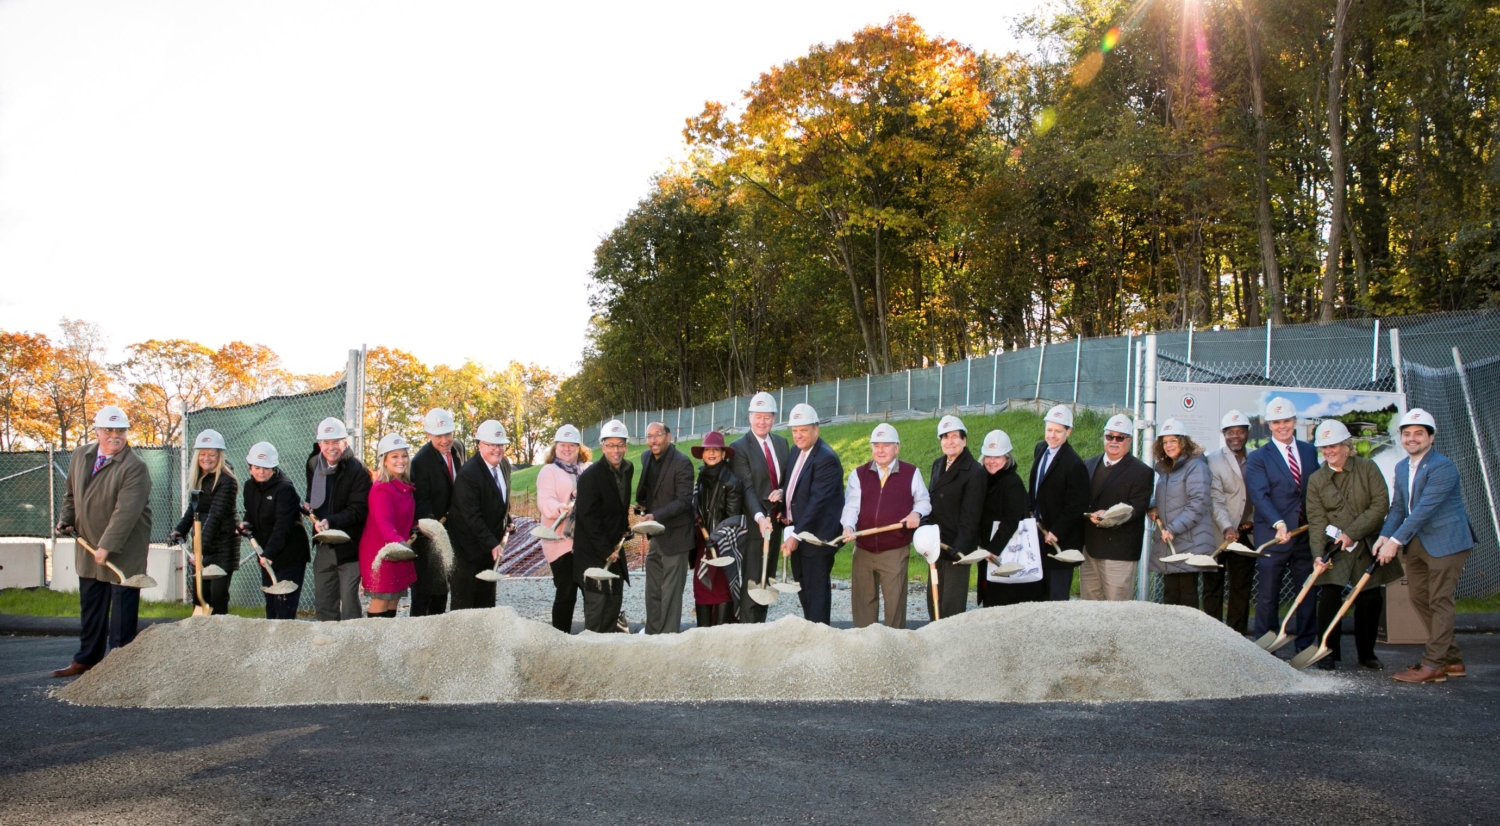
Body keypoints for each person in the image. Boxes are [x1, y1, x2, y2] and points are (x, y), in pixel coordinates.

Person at [1376, 408, 1476, 684]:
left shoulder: (1443, 467)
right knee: (1419, 597)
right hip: (1418, 541)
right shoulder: (1401, 467)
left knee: (1439, 600)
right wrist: (1385, 535)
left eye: (1419, 433)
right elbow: (1399, 507)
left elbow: (1424, 509)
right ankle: (1451, 660)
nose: (1412, 438)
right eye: (1407, 433)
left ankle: (1434, 665)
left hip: (1447, 540)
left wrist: (1395, 542)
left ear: (1431, 437)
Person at [51, 406, 152, 678]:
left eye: (121, 430)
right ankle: (87, 659)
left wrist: (106, 546)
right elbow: (71, 495)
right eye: (108, 430)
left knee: (122, 612)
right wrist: (65, 519)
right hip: (88, 545)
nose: (115, 435)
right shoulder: (80, 455)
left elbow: (126, 511)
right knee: (92, 605)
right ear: (97, 432)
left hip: (123, 549)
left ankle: (118, 666)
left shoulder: (135, 467)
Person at [1306, 419, 1394, 670]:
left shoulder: (1367, 468)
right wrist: (1318, 555)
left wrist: (1352, 534)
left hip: (1365, 543)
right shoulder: (1316, 479)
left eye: (1333, 445)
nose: (1328, 451)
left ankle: (1367, 653)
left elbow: (1380, 506)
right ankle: (1327, 652)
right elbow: (1316, 520)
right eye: (1324, 447)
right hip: (1335, 549)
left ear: (1346, 446)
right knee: (1329, 599)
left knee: (1369, 600)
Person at [1245, 397, 1320, 652]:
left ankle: (1305, 645)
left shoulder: (1309, 451)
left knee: (1306, 592)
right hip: (1273, 535)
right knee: (1268, 595)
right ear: (1269, 425)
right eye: (1276, 422)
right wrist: (1278, 523)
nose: (1282, 426)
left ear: (1294, 421)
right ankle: (1266, 647)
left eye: (1286, 421)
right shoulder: (1258, 457)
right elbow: (1259, 495)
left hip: (1304, 534)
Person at [837, 423, 929, 628]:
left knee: (894, 605)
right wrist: (848, 527)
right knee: (863, 603)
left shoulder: (911, 473)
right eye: (876, 445)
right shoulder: (858, 474)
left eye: (886, 445)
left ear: (897, 448)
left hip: (894, 550)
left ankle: (894, 643)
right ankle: (866, 642)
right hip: (863, 550)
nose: (880, 450)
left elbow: (924, 501)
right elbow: (851, 506)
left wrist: (916, 513)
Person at [779, 403, 845, 625]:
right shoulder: (796, 451)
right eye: (795, 430)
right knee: (804, 588)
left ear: (816, 429)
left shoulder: (825, 458)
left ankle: (820, 637)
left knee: (816, 593)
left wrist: (795, 534)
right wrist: (783, 501)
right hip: (800, 531)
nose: (798, 435)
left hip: (817, 537)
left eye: (804, 430)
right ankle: (811, 631)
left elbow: (818, 502)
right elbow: (793, 484)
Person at [728, 391, 791, 623]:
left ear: (774, 418)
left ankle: (760, 628)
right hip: (754, 526)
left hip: (775, 523)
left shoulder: (782, 444)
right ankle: (747, 630)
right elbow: (746, 487)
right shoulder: (739, 447)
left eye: (767, 417)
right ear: (749, 417)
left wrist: (783, 491)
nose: (762, 422)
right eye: (758, 416)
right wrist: (759, 517)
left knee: (767, 580)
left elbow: (788, 479)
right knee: (752, 581)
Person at [1080, 414, 1153, 601]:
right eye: (1109, 436)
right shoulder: (1088, 464)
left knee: (1117, 609)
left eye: (1120, 437)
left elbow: (1137, 507)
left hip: (1119, 552)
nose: (1114, 441)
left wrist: (1109, 515)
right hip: (1089, 549)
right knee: (1089, 607)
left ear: (1130, 440)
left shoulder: (1141, 472)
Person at [305, 417, 371, 621]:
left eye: (336, 442)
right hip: (324, 544)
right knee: (324, 602)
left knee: (350, 603)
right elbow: (315, 497)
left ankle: (353, 638)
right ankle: (327, 637)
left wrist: (331, 521)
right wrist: (309, 506)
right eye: (326, 442)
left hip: (349, 547)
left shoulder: (358, 470)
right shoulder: (314, 464)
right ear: (320, 444)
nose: (331, 447)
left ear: (345, 442)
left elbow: (358, 509)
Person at [921, 415, 986, 620]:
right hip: (936, 545)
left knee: (952, 605)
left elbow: (971, 515)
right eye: (945, 437)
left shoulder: (975, 471)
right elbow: (931, 500)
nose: (949, 441)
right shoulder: (938, 464)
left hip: (957, 548)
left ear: (964, 440)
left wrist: (959, 549)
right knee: (934, 599)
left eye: (955, 436)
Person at [573, 419, 634, 633]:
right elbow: (588, 518)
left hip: (614, 550)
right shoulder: (590, 477)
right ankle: (592, 650)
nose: (616, 450)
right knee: (597, 610)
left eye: (620, 445)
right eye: (610, 445)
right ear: (603, 446)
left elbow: (621, 505)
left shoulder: (628, 469)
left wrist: (625, 527)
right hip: (593, 552)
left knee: (613, 605)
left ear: (626, 447)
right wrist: (605, 549)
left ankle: (609, 647)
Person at [1148, 419, 1216, 609]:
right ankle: (1172, 629)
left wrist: (1172, 528)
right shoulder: (1168, 468)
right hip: (1171, 540)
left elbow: (1198, 503)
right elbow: (1162, 496)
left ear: (1184, 441)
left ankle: (1189, 630)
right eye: (1164, 442)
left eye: (1173, 440)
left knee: (1187, 595)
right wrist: (1153, 506)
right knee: (1170, 594)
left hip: (1189, 540)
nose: (1168, 446)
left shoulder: (1196, 466)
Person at [171, 429, 240, 615]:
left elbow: (216, 516)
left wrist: (199, 549)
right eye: (202, 454)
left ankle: (219, 630)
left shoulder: (226, 481)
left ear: (219, 456)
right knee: (200, 596)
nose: (206, 458)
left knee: (217, 597)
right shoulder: (199, 478)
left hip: (222, 546)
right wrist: (180, 530)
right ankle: (200, 631)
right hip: (203, 544)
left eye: (211, 454)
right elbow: (194, 509)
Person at [238, 441, 309, 620]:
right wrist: (246, 523)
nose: (261, 472)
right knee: (271, 605)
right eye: (257, 467)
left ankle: (286, 637)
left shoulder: (285, 489)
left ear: (274, 467)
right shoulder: (249, 487)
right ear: (250, 468)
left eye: (266, 468)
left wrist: (269, 553)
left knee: (284, 606)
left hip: (289, 555)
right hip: (266, 555)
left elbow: (283, 526)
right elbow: (252, 513)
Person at [637, 422, 695, 634]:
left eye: (658, 435)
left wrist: (656, 515)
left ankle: (669, 638)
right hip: (656, 535)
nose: (653, 440)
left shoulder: (682, 463)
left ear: (668, 437)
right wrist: (643, 507)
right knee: (653, 590)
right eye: (649, 436)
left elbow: (684, 500)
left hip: (677, 536)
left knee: (670, 593)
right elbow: (650, 490)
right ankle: (652, 634)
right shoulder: (646, 457)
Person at [449, 420, 511, 610]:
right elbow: (471, 516)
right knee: (466, 605)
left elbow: (500, 500)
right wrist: (492, 543)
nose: (497, 449)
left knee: (486, 603)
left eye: (500, 445)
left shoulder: (504, 465)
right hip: (468, 551)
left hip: (489, 547)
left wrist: (507, 520)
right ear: (480, 445)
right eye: (491, 445)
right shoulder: (469, 474)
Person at [409, 408, 466, 617]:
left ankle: (440, 628)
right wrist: (435, 530)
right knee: (425, 592)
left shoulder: (458, 449)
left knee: (443, 589)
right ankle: (418, 631)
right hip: (430, 534)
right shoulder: (420, 462)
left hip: (453, 529)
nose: (445, 440)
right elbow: (422, 503)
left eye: (448, 434)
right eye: (439, 435)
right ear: (428, 435)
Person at [1029, 404, 1089, 601]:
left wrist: (1057, 531)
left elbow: (1077, 504)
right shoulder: (1040, 449)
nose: (1052, 435)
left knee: (1056, 597)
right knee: (1038, 594)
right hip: (1038, 535)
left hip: (1059, 542)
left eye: (1058, 431)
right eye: (1049, 430)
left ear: (1068, 432)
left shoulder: (1074, 464)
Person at [976, 429, 1043, 606]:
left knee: (1004, 599)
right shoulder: (984, 479)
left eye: (997, 457)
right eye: (988, 456)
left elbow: (1011, 520)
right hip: (990, 550)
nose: (992, 461)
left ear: (1007, 458)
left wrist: (993, 549)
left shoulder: (1011, 482)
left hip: (1004, 550)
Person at [1206, 409, 1257, 633]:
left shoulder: (1257, 458)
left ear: (1247, 433)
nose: (1235, 436)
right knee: (1213, 586)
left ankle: (1237, 636)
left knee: (1241, 588)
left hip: (1246, 534)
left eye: (1240, 431)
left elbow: (1261, 495)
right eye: (1230, 432)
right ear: (1223, 434)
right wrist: (1227, 526)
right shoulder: (1213, 460)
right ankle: (1213, 633)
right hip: (1219, 533)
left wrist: (1252, 520)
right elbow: (1215, 499)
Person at [537, 424, 590, 632]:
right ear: (555, 447)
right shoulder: (549, 471)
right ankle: (560, 636)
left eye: (572, 445)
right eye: (562, 445)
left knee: (590, 590)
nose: (567, 449)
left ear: (579, 447)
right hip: (559, 541)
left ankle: (593, 635)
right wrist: (560, 508)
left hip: (584, 541)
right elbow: (545, 500)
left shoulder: (588, 469)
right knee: (566, 591)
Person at [358, 434, 419, 618]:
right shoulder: (382, 489)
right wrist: (400, 544)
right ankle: (375, 635)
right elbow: (384, 523)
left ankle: (389, 634)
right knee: (381, 599)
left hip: (397, 549)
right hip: (382, 552)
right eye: (394, 456)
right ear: (384, 460)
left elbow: (403, 516)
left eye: (404, 455)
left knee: (394, 599)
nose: (401, 460)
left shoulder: (402, 484)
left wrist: (417, 527)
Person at [690, 430, 743, 627]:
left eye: (716, 449)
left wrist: (715, 540)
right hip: (702, 543)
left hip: (722, 545)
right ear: (702, 454)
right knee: (701, 586)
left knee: (721, 588)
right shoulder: (701, 478)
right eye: (707, 450)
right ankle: (703, 633)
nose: (711, 453)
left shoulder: (732, 482)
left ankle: (720, 635)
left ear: (723, 454)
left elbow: (732, 519)